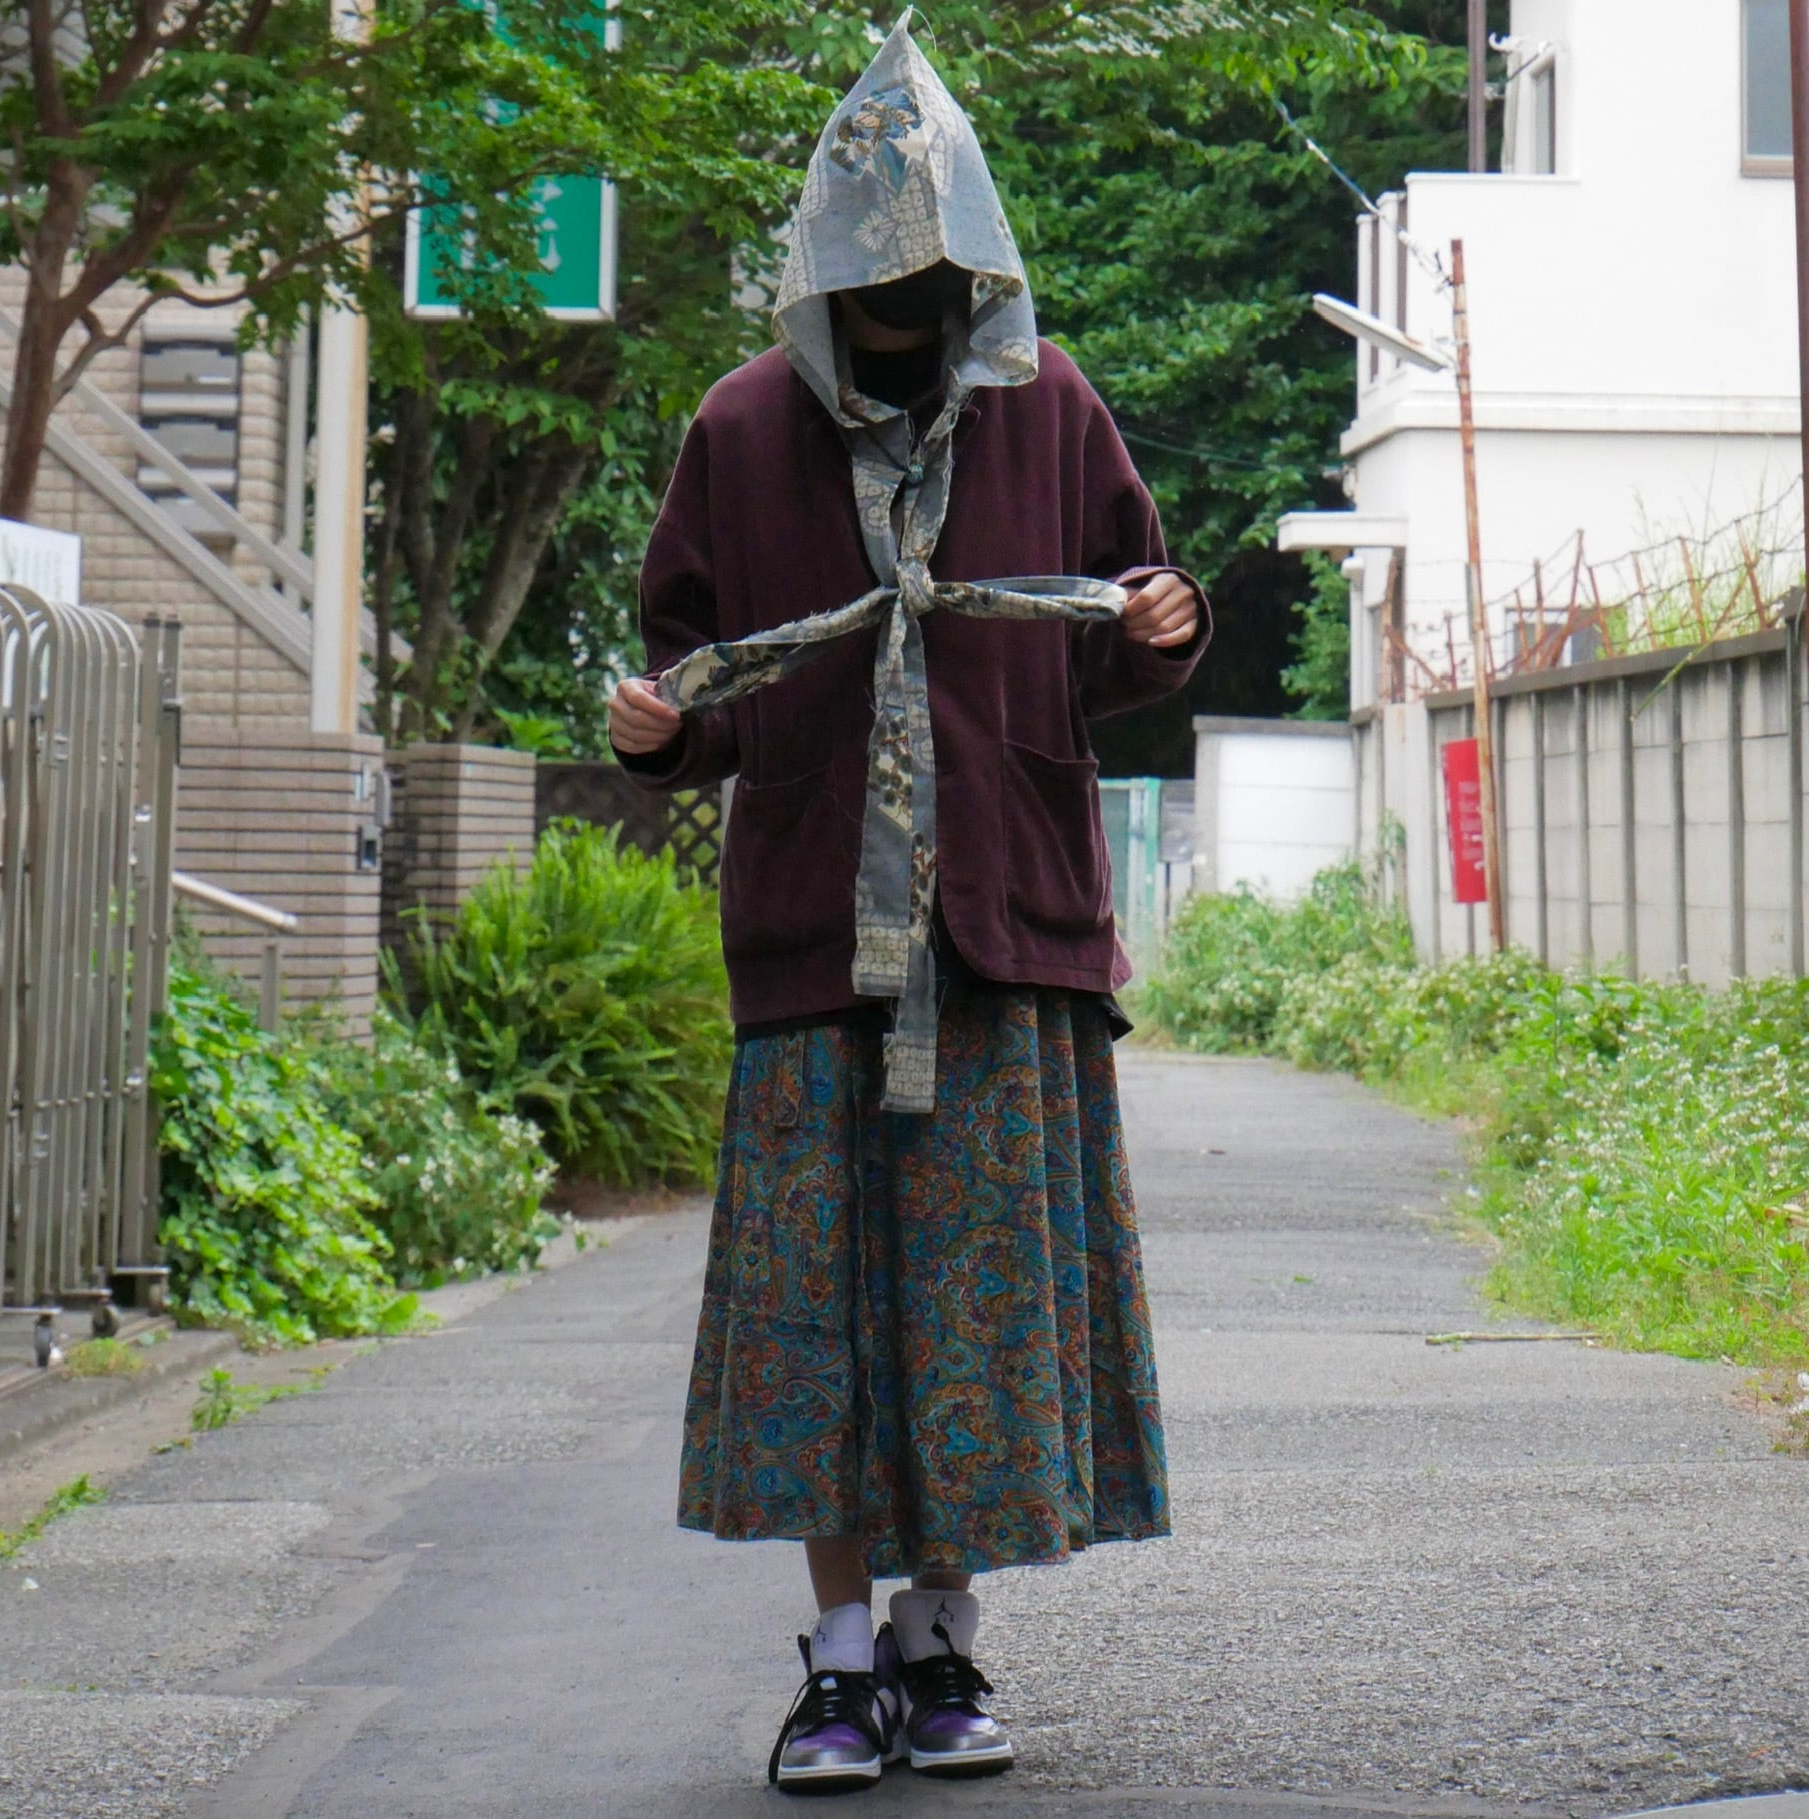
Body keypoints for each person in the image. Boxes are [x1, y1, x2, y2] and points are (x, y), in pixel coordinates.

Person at [607, 11, 1207, 1794]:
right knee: (823, 1325)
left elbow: (1119, 626)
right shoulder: (741, 427)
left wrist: (1163, 624)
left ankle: (945, 1644)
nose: (909, 290)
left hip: (1006, 927)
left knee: (975, 1316)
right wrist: (659, 730)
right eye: (878, 264)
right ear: (825, 254)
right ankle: (839, 1662)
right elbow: (693, 681)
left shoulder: (1050, 402)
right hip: (819, 937)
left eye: (937, 260)